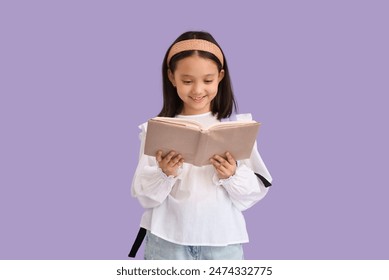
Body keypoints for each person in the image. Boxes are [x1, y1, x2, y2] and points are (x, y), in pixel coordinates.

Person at [130, 31, 272, 260]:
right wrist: (164, 173)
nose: (197, 90)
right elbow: (145, 197)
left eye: (207, 80)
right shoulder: (154, 130)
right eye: (187, 81)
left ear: (220, 76)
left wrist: (232, 174)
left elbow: (252, 195)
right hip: (166, 241)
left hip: (223, 242)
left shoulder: (237, 130)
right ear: (171, 77)